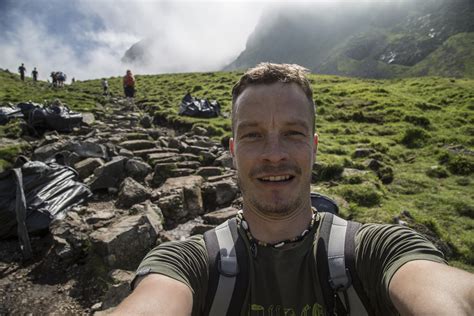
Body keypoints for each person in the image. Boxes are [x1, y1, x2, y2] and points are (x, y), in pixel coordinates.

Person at [112, 63, 474, 315]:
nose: (274, 154)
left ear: (314, 147)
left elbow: (441, 290)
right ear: (233, 151)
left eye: (293, 133)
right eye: (253, 135)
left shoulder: (377, 251)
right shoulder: (187, 264)